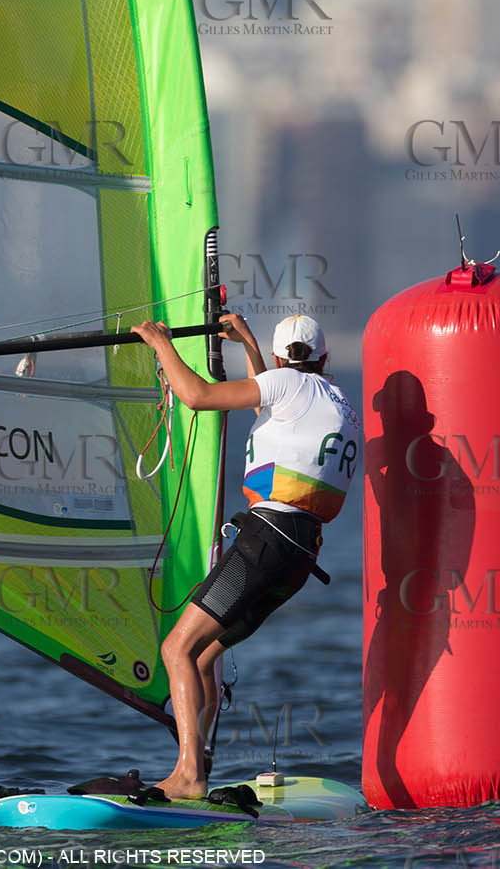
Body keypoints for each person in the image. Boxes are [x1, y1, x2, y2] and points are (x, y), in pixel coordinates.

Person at [128, 312, 360, 799]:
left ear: (279, 358)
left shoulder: (286, 386)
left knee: (177, 649)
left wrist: (159, 343)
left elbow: (197, 396)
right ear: (325, 359)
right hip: (298, 558)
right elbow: (270, 401)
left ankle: (188, 775)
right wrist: (247, 341)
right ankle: (198, 767)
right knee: (204, 657)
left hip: (265, 541)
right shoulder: (336, 401)